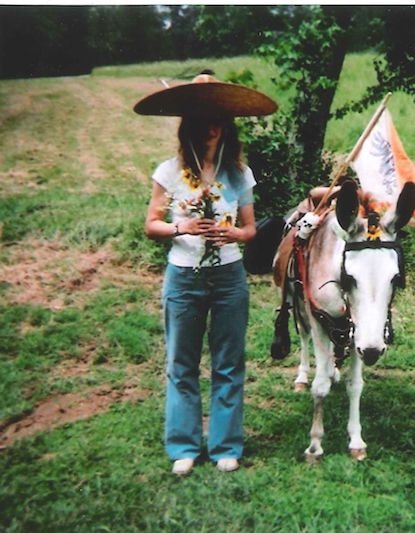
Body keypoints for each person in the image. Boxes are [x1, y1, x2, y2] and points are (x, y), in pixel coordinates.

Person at [135, 74, 278, 475]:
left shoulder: (238, 173)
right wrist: (183, 227)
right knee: (182, 362)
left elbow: (250, 229)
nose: (212, 126)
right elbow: (151, 224)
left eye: (219, 118)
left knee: (228, 362)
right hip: (183, 277)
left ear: (227, 124)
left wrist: (233, 233)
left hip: (229, 276)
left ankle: (225, 446)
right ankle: (184, 445)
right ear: (190, 124)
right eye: (204, 118)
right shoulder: (169, 171)